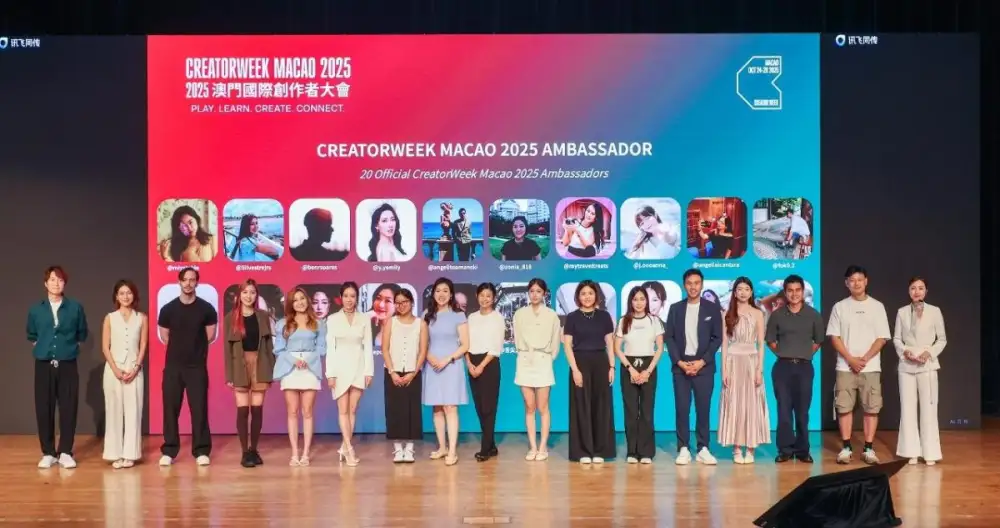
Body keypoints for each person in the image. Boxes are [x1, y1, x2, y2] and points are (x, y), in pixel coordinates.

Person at [828, 265, 891, 465]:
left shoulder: (877, 306)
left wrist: (864, 359)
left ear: (866, 281)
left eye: (860, 279)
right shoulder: (839, 307)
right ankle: (846, 447)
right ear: (846, 283)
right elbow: (834, 337)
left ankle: (868, 448)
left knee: (871, 408)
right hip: (845, 366)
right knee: (844, 407)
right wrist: (850, 359)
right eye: (852, 280)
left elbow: (882, 338)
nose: (856, 283)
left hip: (870, 367)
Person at [27, 266, 89, 469]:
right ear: (45, 283)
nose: (56, 283)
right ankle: (48, 452)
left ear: (65, 284)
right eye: (52, 280)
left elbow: (81, 334)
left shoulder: (75, 307)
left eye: (60, 280)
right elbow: (32, 335)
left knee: (68, 407)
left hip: (67, 364)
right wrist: (45, 348)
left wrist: (65, 349)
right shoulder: (36, 310)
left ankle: (65, 452)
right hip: (43, 364)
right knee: (44, 407)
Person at [157, 267, 218, 466]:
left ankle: (201, 450)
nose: (188, 283)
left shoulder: (206, 309)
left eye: (192, 280)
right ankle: (169, 450)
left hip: (196, 368)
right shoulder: (168, 309)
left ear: (197, 282)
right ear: (179, 281)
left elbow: (210, 336)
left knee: (199, 409)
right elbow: (165, 336)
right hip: (173, 367)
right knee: (170, 409)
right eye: (185, 279)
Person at [664, 268, 722, 466]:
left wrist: (702, 362)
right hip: (680, 367)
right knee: (682, 409)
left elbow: (717, 338)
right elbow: (669, 338)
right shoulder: (675, 309)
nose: (693, 287)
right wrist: (680, 362)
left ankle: (703, 448)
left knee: (703, 409)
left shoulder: (712, 309)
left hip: (704, 366)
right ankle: (683, 448)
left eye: (697, 283)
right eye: (689, 283)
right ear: (684, 285)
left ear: (702, 285)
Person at [765, 274, 824, 463]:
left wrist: (803, 353)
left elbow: (818, 341)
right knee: (783, 411)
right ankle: (785, 450)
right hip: (782, 368)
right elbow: (770, 340)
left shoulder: (813, 315)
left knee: (802, 412)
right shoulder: (777, 315)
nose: (794, 294)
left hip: (804, 368)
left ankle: (802, 450)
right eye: (790, 290)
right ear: (785, 292)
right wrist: (784, 352)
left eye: (798, 290)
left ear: (803, 291)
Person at [893, 277, 946, 466]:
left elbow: (942, 339)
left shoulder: (935, 311)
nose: (917, 291)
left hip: (927, 365)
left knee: (929, 409)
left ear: (926, 291)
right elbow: (897, 338)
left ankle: (930, 452)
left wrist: (928, 353)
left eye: (921, 288)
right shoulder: (901, 312)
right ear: (909, 291)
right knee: (907, 409)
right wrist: (905, 352)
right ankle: (911, 452)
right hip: (907, 366)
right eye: (913, 288)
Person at [224, 279, 276, 468]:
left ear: (256, 295)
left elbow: (269, 346)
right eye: (245, 292)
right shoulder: (231, 317)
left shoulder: (263, 316)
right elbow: (227, 349)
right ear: (239, 295)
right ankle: (244, 452)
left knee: (257, 409)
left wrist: (272, 369)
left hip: (260, 364)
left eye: (252, 292)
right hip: (239, 365)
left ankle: (254, 450)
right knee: (243, 410)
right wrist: (229, 375)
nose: (248, 296)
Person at [563, 280, 616, 464]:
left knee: (601, 407)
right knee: (581, 406)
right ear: (578, 296)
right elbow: (567, 346)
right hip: (580, 363)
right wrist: (575, 370)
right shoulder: (572, 317)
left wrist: (612, 367)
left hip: (601, 363)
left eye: (590, 293)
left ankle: (600, 450)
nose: (587, 297)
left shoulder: (604, 316)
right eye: (583, 293)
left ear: (596, 296)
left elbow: (609, 343)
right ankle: (583, 451)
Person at [718, 277, 770, 464]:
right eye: (739, 289)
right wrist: (724, 370)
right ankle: (737, 448)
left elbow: (761, 344)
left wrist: (759, 369)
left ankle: (751, 448)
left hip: (751, 361)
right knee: (734, 405)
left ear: (751, 292)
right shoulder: (727, 313)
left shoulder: (758, 313)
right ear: (734, 292)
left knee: (751, 405)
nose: (743, 292)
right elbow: (724, 344)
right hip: (733, 362)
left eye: (746, 289)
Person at [273, 287, 327, 466]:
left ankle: (305, 454)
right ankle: (294, 453)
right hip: (290, 368)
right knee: (292, 412)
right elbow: (279, 349)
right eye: (295, 300)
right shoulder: (283, 324)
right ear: (291, 304)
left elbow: (322, 348)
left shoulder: (318, 323)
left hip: (311, 368)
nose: (300, 302)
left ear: (307, 300)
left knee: (308, 411)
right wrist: (294, 360)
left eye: (302, 298)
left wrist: (307, 360)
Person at [422, 278, 470, 466]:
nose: (441, 294)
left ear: (451, 295)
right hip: (432, 365)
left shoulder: (458, 315)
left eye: (445, 291)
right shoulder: (427, 315)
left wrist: (447, 359)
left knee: (450, 407)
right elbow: (422, 342)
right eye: (438, 291)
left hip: (451, 365)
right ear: (433, 294)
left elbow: (465, 344)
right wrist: (429, 357)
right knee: (437, 407)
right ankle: (442, 447)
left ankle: (452, 451)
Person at [614, 285, 664, 464]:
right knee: (631, 411)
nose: (639, 303)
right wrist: (631, 369)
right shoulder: (623, 321)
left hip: (649, 366)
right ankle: (632, 451)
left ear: (646, 301)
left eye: (642, 299)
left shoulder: (654, 321)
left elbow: (660, 348)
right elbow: (617, 348)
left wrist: (648, 370)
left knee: (647, 411)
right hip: (628, 366)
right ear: (631, 302)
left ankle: (646, 452)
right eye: (635, 299)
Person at [325, 282, 373, 467]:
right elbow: (330, 348)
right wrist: (330, 374)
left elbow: (368, 347)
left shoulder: (364, 319)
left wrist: (369, 371)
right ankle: (349, 449)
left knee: (352, 410)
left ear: (357, 298)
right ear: (341, 298)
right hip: (339, 369)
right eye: (346, 296)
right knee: (343, 411)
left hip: (359, 367)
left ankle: (345, 447)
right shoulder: (332, 319)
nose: (349, 299)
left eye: (352, 296)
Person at [513, 278, 561, 462]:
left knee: (543, 407)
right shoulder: (520, 314)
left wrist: (548, 358)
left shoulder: (551, 315)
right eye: (532, 291)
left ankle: (543, 447)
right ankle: (533, 446)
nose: (534, 295)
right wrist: (524, 354)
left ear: (544, 294)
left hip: (543, 361)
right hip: (525, 361)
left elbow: (555, 342)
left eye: (538, 291)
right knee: (529, 407)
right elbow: (517, 338)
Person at [101, 280, 147, 469]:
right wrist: (115, 369)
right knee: (113, 411)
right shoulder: (110, 318)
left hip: (134, 369)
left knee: (134, 411)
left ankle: (130, 454)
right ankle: (115, 454)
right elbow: (105, 347)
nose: (125, 296)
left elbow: (143, 345)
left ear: (134, 295)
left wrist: (136, 368)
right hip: (114, 370)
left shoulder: (141, 318)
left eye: (129, 293)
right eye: (121, 293)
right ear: (116, 296)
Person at [381, 288, 426, 463]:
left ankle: (410, 449)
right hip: (393, 372)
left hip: (413, 373)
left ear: (411, 303)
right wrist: (392, 372)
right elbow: (385, 349)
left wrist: (413, 372)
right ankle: (398, 449)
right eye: (398, 303)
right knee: (394, 410)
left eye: (404, 302)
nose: (401, 305)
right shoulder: (390, 322)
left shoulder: (421, 324)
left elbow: (422, 351)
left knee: (412, 410)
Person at [466, 283, 505, 461]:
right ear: (477, 296)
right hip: (472, 362)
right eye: (482, 295)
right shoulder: (471, 317)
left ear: (494, 298)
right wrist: (469, 363)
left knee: (489, 407)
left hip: (489, 363)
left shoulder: (498, 318)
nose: (485, 299)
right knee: (479, 407)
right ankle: (491, 445)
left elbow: (496, 347)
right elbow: (465, 342)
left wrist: (481, 366)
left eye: (488, 296)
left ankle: (485, 448)